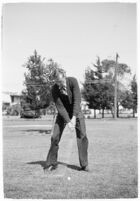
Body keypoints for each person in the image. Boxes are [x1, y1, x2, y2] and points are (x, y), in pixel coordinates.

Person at [44, 68, 89, 172]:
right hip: (62, 114)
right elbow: (60, 107)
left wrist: (73, 117)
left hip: (76, 111)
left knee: (82, 136)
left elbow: (77, 100)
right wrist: (68, 122)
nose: (58, 84)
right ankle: (52, 163)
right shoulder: (54, 89)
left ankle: (84, 164)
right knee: (54, 136)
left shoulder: (73, 81)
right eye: (56, 82)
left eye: (60, 81)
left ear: (64, 76)